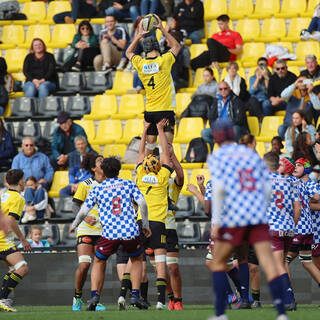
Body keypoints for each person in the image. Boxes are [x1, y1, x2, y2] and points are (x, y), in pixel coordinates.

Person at [208, 119, 288, 320]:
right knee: (268, 263)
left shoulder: (218, 157)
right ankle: (281, 314)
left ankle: (220, 314)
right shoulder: (251, 155)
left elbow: (218, 191)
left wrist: (216, 222)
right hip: (257, 215)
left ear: (216, 137)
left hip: (235, 216)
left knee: (217, 262)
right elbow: (267, 188)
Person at [70, 156, 150, 311]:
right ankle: (134, 295)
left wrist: (74, 225)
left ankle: (94, 296)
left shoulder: (98, 188)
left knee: (99, 261)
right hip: (130, 231)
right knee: (136, 259)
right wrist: (145, 224)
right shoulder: (128, 184)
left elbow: (82, 211)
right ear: (119, 170)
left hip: (109, 233)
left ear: (104, 172)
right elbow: (142, 203)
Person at [126, 14, 180, 155]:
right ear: (157, 46)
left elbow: (128, 52)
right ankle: (166, 176)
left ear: (145, 49)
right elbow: (176, 46)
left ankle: (147, 176)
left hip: (150, 112)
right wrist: (162, 29)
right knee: (166, 150)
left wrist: (138, 35)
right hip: (165, 111)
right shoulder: (164, 60)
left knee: (149, 150)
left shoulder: (141, 63)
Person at [135, 119, 172, 310]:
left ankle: (139, 298)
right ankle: (160, 301)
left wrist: (144, 130)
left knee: (139, 263)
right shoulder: (163, 177)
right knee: (160, 263)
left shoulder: (140, 176)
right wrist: (159, 129)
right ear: (158, 166)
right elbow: (166, 154)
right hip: (157, 223)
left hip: (141, 223)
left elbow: (141, 153)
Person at [264, 152, 301, 311]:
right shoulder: (289, 182)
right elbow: (297, 207)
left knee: (278, 265)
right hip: (289, 228)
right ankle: (285, 298)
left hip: (274, 228)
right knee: (283, 263)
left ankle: (289, 299)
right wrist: (292, 224)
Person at [70, 154, 107, 311]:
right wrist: (84, 219)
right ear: (93, 168)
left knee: (100, 266)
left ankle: (95, 300)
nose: (103, 162)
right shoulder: (85, 184)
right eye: (100, 161)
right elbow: (75, 206)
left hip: (104, 230)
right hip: (86, 228)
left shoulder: (111, 185)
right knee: (85, 264)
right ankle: (77, 297)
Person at [285, 158, 320, 306]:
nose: (295, 168)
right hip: (309, 229)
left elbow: (317, 198)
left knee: (283, 261)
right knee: (307, 262)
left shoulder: (308, 184)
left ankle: (289, 298)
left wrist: (307, 205)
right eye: (295, 165)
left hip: (301, 228)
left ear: (306, 168)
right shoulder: (300, 183)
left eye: (299, 165)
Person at [0, 169, 31, 312]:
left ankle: (3, 299)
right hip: (3, 240)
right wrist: (23, 239)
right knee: (23, 268)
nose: (24, 182)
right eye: (23, 179)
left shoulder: (3, 195)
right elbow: (12, 221)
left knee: (12, 269)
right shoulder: (18, 198)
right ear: (20, 181)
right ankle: (2, 299)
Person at [164, 143, 184, 310]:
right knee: (160, 270)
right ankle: (170, 298)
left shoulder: (173, 183)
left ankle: (178, 300)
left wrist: (173, 155)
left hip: (169, 228)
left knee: (173, 267)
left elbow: (181, 175)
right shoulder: (151, 182)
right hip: (154, 229)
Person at [201, 81, 248, 149]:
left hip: (232, 127)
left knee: (235, 130)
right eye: (221, 89)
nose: (223, 91)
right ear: (218, 90)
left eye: (225, 88)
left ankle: (239, 151)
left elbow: (240, 119)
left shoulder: (236, 100)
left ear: (229, 89)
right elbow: (211, 118)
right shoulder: (215, 101)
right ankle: (213, 152)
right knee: (205, 133)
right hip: (219, 128)